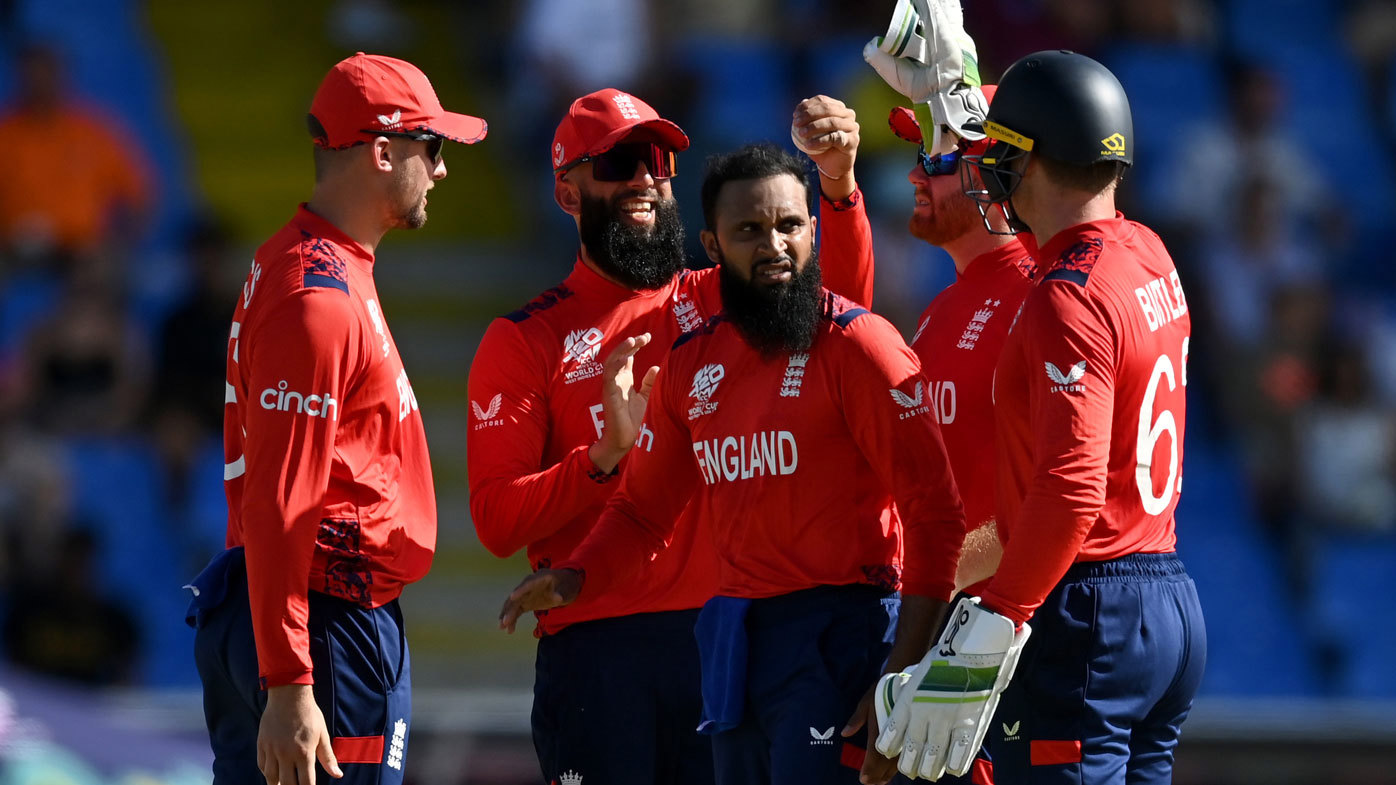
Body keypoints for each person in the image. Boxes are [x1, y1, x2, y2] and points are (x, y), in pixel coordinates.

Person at [498, 143, 967, 785]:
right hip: (734, 643)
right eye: (749, 230)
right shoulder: (691, 365)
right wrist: (578, 575)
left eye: (790, 225)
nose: (774, 244)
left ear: (812, 230)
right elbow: (642, 510)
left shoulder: (861, 346)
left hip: (843, 635)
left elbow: (935, 513)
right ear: (713, 248)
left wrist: (905, 673)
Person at [185, 52, 486, 785]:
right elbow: (281, 501)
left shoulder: (314, 264)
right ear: (383, 152)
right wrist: (291, 684)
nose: (441, 170)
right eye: (433, 147)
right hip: (325, 625)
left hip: (317, 617)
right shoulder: (317, 298)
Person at [940, 49, 1206, 784]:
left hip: (1090, 609)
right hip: (1168, 592)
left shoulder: (1068, 293)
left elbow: (1071, 486)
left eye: (1000, 150)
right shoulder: (1149, 250)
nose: (990, 165)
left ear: (1034, 158)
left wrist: (1000, 609)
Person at [871, 87, 1036, 785]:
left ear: (990, 171)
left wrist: (924, 590)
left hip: (1007, 640)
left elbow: (1048, 500)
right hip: (945, 627)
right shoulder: (939, 309)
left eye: (935, 159)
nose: (914, 174)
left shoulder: (1040, 295)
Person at [0, 42, 151, 262]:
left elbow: (137, 191)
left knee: (102, 269)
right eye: (32, 74)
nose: (39, 82)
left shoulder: (94, 131)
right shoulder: (6, 133)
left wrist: (121, 238)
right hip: (14, 244)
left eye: (46, 73)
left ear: (61, 75)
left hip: (81, 245)